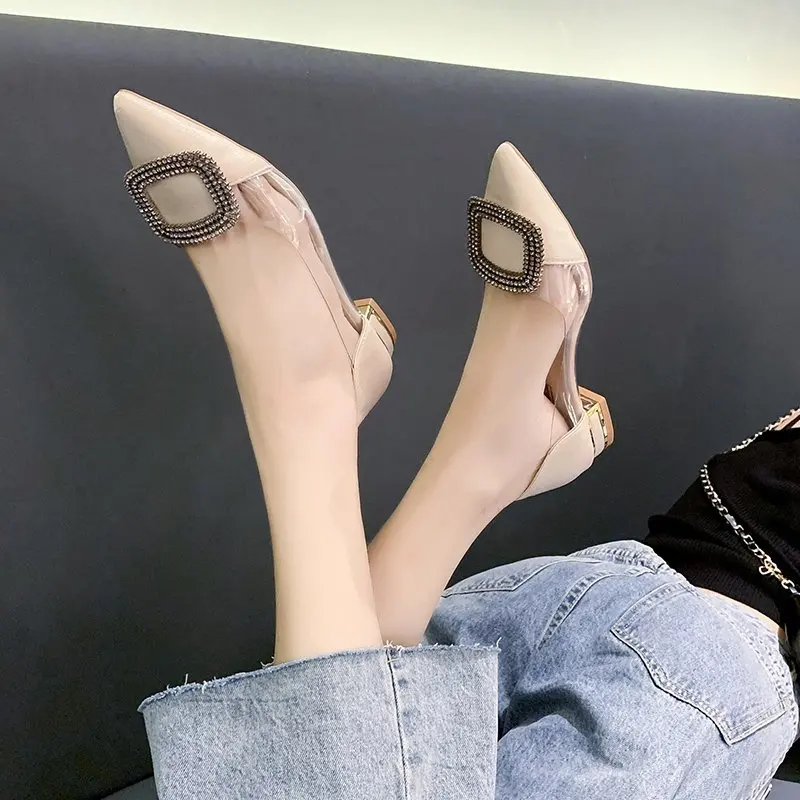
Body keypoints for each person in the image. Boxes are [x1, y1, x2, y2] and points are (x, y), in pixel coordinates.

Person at [113, 90, 798, 800]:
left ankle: (405, 436)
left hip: (560, 595)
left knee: (356, 720)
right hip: (702, 653)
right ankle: (391, 426)